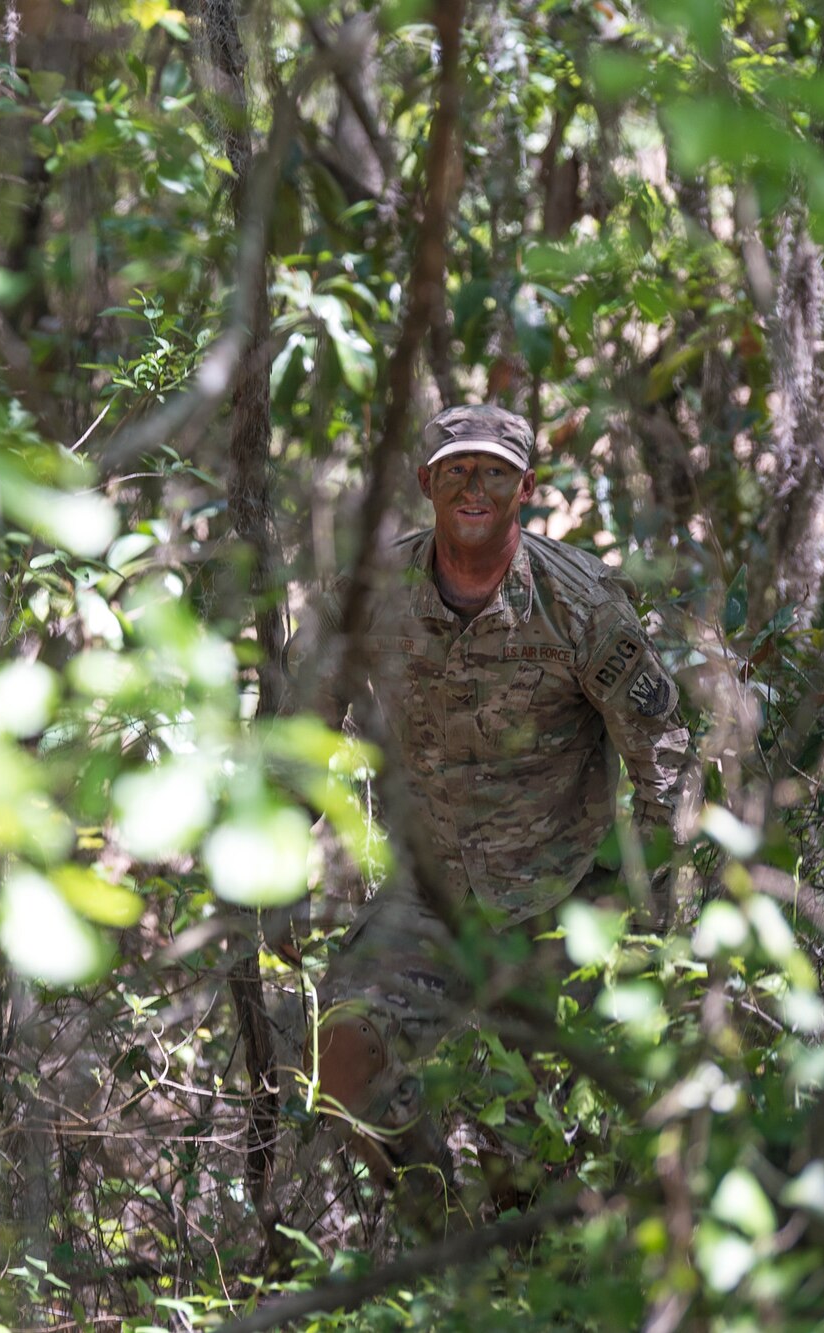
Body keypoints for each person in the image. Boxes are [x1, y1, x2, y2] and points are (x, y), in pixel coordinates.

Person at [288, 403, 694, 1195]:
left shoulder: (580, 605)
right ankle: (436, 1221)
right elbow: (300, 736)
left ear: (527, 488)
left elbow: (666, 760)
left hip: (557, 902)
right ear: (426, 484)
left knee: (534, 1159)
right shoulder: (372, 595)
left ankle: (515, 1245)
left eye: (495, 473)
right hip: (429, 894)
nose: (474, 488)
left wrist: (642, 914)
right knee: (340, 1054)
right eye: (457, 471)